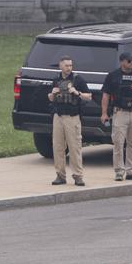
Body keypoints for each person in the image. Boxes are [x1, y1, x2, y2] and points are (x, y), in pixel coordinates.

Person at [101, 52, 132, 181]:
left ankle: (131, 171)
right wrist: (104, 113)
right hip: (119, 112)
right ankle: (118, 171)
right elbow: (105, 95)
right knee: (118, 143)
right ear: (122, 62)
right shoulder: (113, 76)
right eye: (129, 61)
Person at [47, 56, 92, 187]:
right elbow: (50, 98)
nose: (69, 68)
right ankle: (60, 175)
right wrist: (52, 94)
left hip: (72, 117)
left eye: (71, 65)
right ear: (60, 66)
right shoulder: (56, 79)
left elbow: (89, 96)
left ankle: (78, 176)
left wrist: (77, 92)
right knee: (58, 147)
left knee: (74, 147)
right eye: (66, 65)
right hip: (58, 117)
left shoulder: (78, 79)